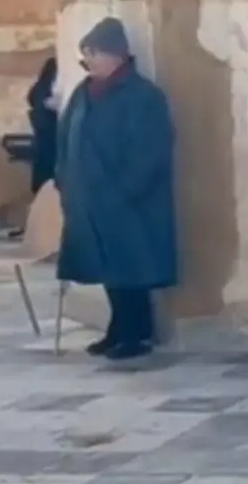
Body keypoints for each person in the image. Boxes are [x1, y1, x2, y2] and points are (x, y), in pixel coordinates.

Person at [55, 18, 178, 361]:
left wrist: (125, 190)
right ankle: (118, 327)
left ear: (115, 55)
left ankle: (137, 332)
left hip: (129, 201)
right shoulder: (83, 93)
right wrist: (64, 178)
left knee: (132, 266)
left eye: (92, 54)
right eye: (85, 55)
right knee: (107, 266)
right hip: (90, 199)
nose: (87, 62)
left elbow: (151, 149)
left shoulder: (144, 97)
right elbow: (66, 137)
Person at [27, 57, 59, 196]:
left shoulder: (39, 86)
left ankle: (37, 189)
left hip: (39, 129)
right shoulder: (51, 87)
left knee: (40, 161)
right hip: (50, 130)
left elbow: (30, 99)